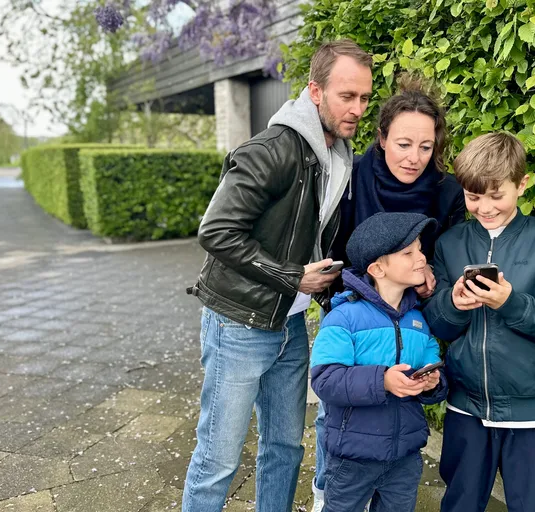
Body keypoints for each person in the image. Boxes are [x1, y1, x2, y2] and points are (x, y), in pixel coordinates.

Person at [182, 39, 373, 512]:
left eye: (364, 98)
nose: (357, 109)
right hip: (239, 324)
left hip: (290, 324)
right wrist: (291, 276)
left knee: (285, 451)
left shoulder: (340, 155)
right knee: (218, 460)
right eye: (346, 96)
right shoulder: (271, 150)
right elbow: (217, 231)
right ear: (315, 91)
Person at [422, 132, 535, 511]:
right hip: (466, 409)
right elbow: (438, 327)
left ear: (522, 184)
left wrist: (512, 303)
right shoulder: (450, 244)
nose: (484, 208)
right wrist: (453, 304)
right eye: (473, 196)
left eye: (496, 195)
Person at [311, 78, 465, 511]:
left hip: (409, 313)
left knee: (399, 400)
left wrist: (429, 269)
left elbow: (451, 255)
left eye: (425, 146)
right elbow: (328, 239)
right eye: (403, 144)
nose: (414, 158)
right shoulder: (349, 175)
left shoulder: (447, 192)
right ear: (381, 139)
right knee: (338, 412)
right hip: (353, 306)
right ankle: (331, 491)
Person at [310, 212, 448, 512]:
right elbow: (325, 379)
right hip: (352, 460)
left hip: (404, 459)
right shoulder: (343, 318)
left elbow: (432, 364)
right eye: (408, 252)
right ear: (377, 268)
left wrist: (431, 383)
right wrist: (382, 380)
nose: (421, 258)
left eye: (420, 249)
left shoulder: (418, 320)